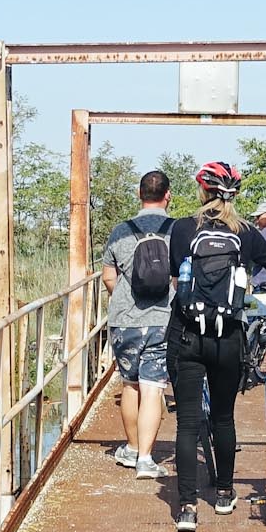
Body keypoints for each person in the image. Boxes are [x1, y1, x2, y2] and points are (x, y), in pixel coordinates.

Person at [166, 161, 266, 532]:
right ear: (235, 195)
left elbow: (177, 280)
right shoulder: (247, 232)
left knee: (188, 422)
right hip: (229, 338)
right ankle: (224, 494)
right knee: (224, 417)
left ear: (202, 191)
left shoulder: (181, 229)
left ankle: (188, 508)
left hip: (188, 336)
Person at [101, 169, 173, 479]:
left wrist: (124, 299)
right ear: (167, 195)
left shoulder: (120, 231)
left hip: (125, 321)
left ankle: (131, 448)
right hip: (162, 320)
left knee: (129, 385)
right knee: (153, 388)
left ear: (139, 194)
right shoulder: (177, 230)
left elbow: (108, 277)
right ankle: (146, 458)